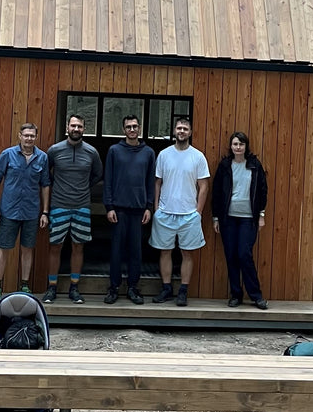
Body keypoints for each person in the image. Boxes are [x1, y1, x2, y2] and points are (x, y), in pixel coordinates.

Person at [149, 117, 210, 307]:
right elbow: (157, 182)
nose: (181, 131)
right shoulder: (164, 155)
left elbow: (204, 186)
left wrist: (198, 212)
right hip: (165, 213)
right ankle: (166, 288)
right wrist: (156, 209)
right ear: (174, 131)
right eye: (179, 128)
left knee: (187, 253)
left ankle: (183, 291)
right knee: (165, 252)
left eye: (185, 128)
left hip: (189, 214)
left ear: (190, 132)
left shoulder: (198, 156)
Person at [43, 114, 103, 304]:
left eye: (80, 126)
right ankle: (51, 288)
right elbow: (46, 174)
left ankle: (74, 287)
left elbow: (98, 175)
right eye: (73, 125)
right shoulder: (54, 150)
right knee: (55, 247)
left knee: (78, 246)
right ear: (67, 127)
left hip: (82, 206)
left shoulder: (92, 152)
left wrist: (83, 187)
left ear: (84, 129)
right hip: (59, 205)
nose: (76, 129)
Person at [0, 123, 51, 305]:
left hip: (31, 212)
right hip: (9, 210)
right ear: (20, 136)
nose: (29, 139)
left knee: (27, 249)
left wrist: (45, 212)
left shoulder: (42, 158)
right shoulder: (7, 154)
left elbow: (45, 184)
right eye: (26, 135)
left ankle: (24, 285)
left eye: (32, 136)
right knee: (4, 248)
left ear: (36, 137)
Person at [211, 131, 269, 310]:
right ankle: (236, 295)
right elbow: (217, 192)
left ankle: (256, 296)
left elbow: (262, 191)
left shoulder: (254, 165)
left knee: (244, 254)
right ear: (231, 146)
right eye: (235, 144)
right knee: (231, 256)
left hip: (248, 218)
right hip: (228, 218)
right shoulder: (225, 166)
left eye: (241, 144)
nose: (238, 147)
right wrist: (215, 217)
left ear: (246, 146)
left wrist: (261, 215)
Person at [103, 115, 155, 305]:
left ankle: (133, 287)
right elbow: (107, 179)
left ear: (139, 129)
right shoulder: (114, 151)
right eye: (128, 127)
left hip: (139, 210)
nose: (132, 130)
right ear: (123, 130)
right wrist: (109, 207)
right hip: (118, 209)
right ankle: (113, 288)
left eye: (135, 126)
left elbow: (151, 182)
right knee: (116, 251)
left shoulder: (148, 152)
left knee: (136, 252)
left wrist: (149, 207)